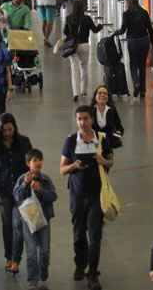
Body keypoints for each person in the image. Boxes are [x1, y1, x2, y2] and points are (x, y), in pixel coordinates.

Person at [59, 106, 113, 290]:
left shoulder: (102, 139)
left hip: (97, 196)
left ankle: (93, 273)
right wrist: (73, 165)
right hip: (77, 195)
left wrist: (102, 161)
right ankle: (80, 265)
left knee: (95, 236)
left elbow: (111, 162)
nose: (82, 122)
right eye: (79, 119)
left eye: (85, 118)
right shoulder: (70, 141)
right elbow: (62, 169)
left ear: (91, 120)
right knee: (78, 234)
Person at [0, 113, 33, 274]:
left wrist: (33, 181)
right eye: (4, 130)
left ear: (15, 128)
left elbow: (32, 164)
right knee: (7, 225)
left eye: (10, 130)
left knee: (19, 225)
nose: (7, 133)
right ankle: (9, 257)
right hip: (4, 190)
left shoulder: (24, 142)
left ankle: (16, 259)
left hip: (22, 189)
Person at [13, 149, 57, 290]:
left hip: (44, 220)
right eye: (34, 160)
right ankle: (33, 281)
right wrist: (26, 184)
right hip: (28, 221)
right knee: (31, 251)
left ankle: (43, 272)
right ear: (28, 163)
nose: (38, 162)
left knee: (44, 251)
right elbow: (17, 197)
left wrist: (40, 190)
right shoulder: (22, 179)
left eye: (40, 159)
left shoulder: (46, 179)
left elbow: (53, 196)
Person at [113, 0, 153, 98]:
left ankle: (136, 83)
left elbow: (122, 30)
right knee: (142, 66)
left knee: (133, 64)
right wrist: (152, 43)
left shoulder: (126, 14)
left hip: (133, 42)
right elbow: (150, 29)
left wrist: (115, 33)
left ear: (128, 2)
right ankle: (143, 91)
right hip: (144, 40)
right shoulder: (144, 12)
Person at [64, 0, 103, 101]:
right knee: (84, 67)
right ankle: (83, 90)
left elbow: (65, 32)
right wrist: (100, 26)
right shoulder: (87, 19)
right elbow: (95, 30)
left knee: (74, 68)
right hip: (85, 45)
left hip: (73, 46)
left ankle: (75, 93)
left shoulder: (69, 18)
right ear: (83, 8)